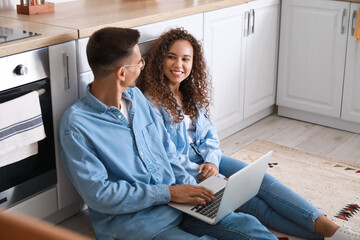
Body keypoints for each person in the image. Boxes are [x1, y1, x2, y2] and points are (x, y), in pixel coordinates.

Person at [137, 27, 360, 240]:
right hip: (186, 173)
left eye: (186, 59)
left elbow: (210, 137)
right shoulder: (151, 104)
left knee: (264, 182)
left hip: (208, 161)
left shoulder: (191, 94)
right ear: (159, 61)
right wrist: (206, 174)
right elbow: (165, 156)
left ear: (193, 63)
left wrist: (213, 162)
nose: (179, 64)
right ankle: (330, 235)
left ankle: (331, 228)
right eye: (171, 57)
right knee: (252, 204)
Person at [58, 27, 280, 240]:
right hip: (138, 223)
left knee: (248, 225)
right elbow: (100, 194)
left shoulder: (135, 97)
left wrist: (192, 187)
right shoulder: (77, 125)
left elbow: (167, 150)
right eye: (139, 62)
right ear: (122, 73)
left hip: (178, 203)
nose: (143, 66)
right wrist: (168, 194)